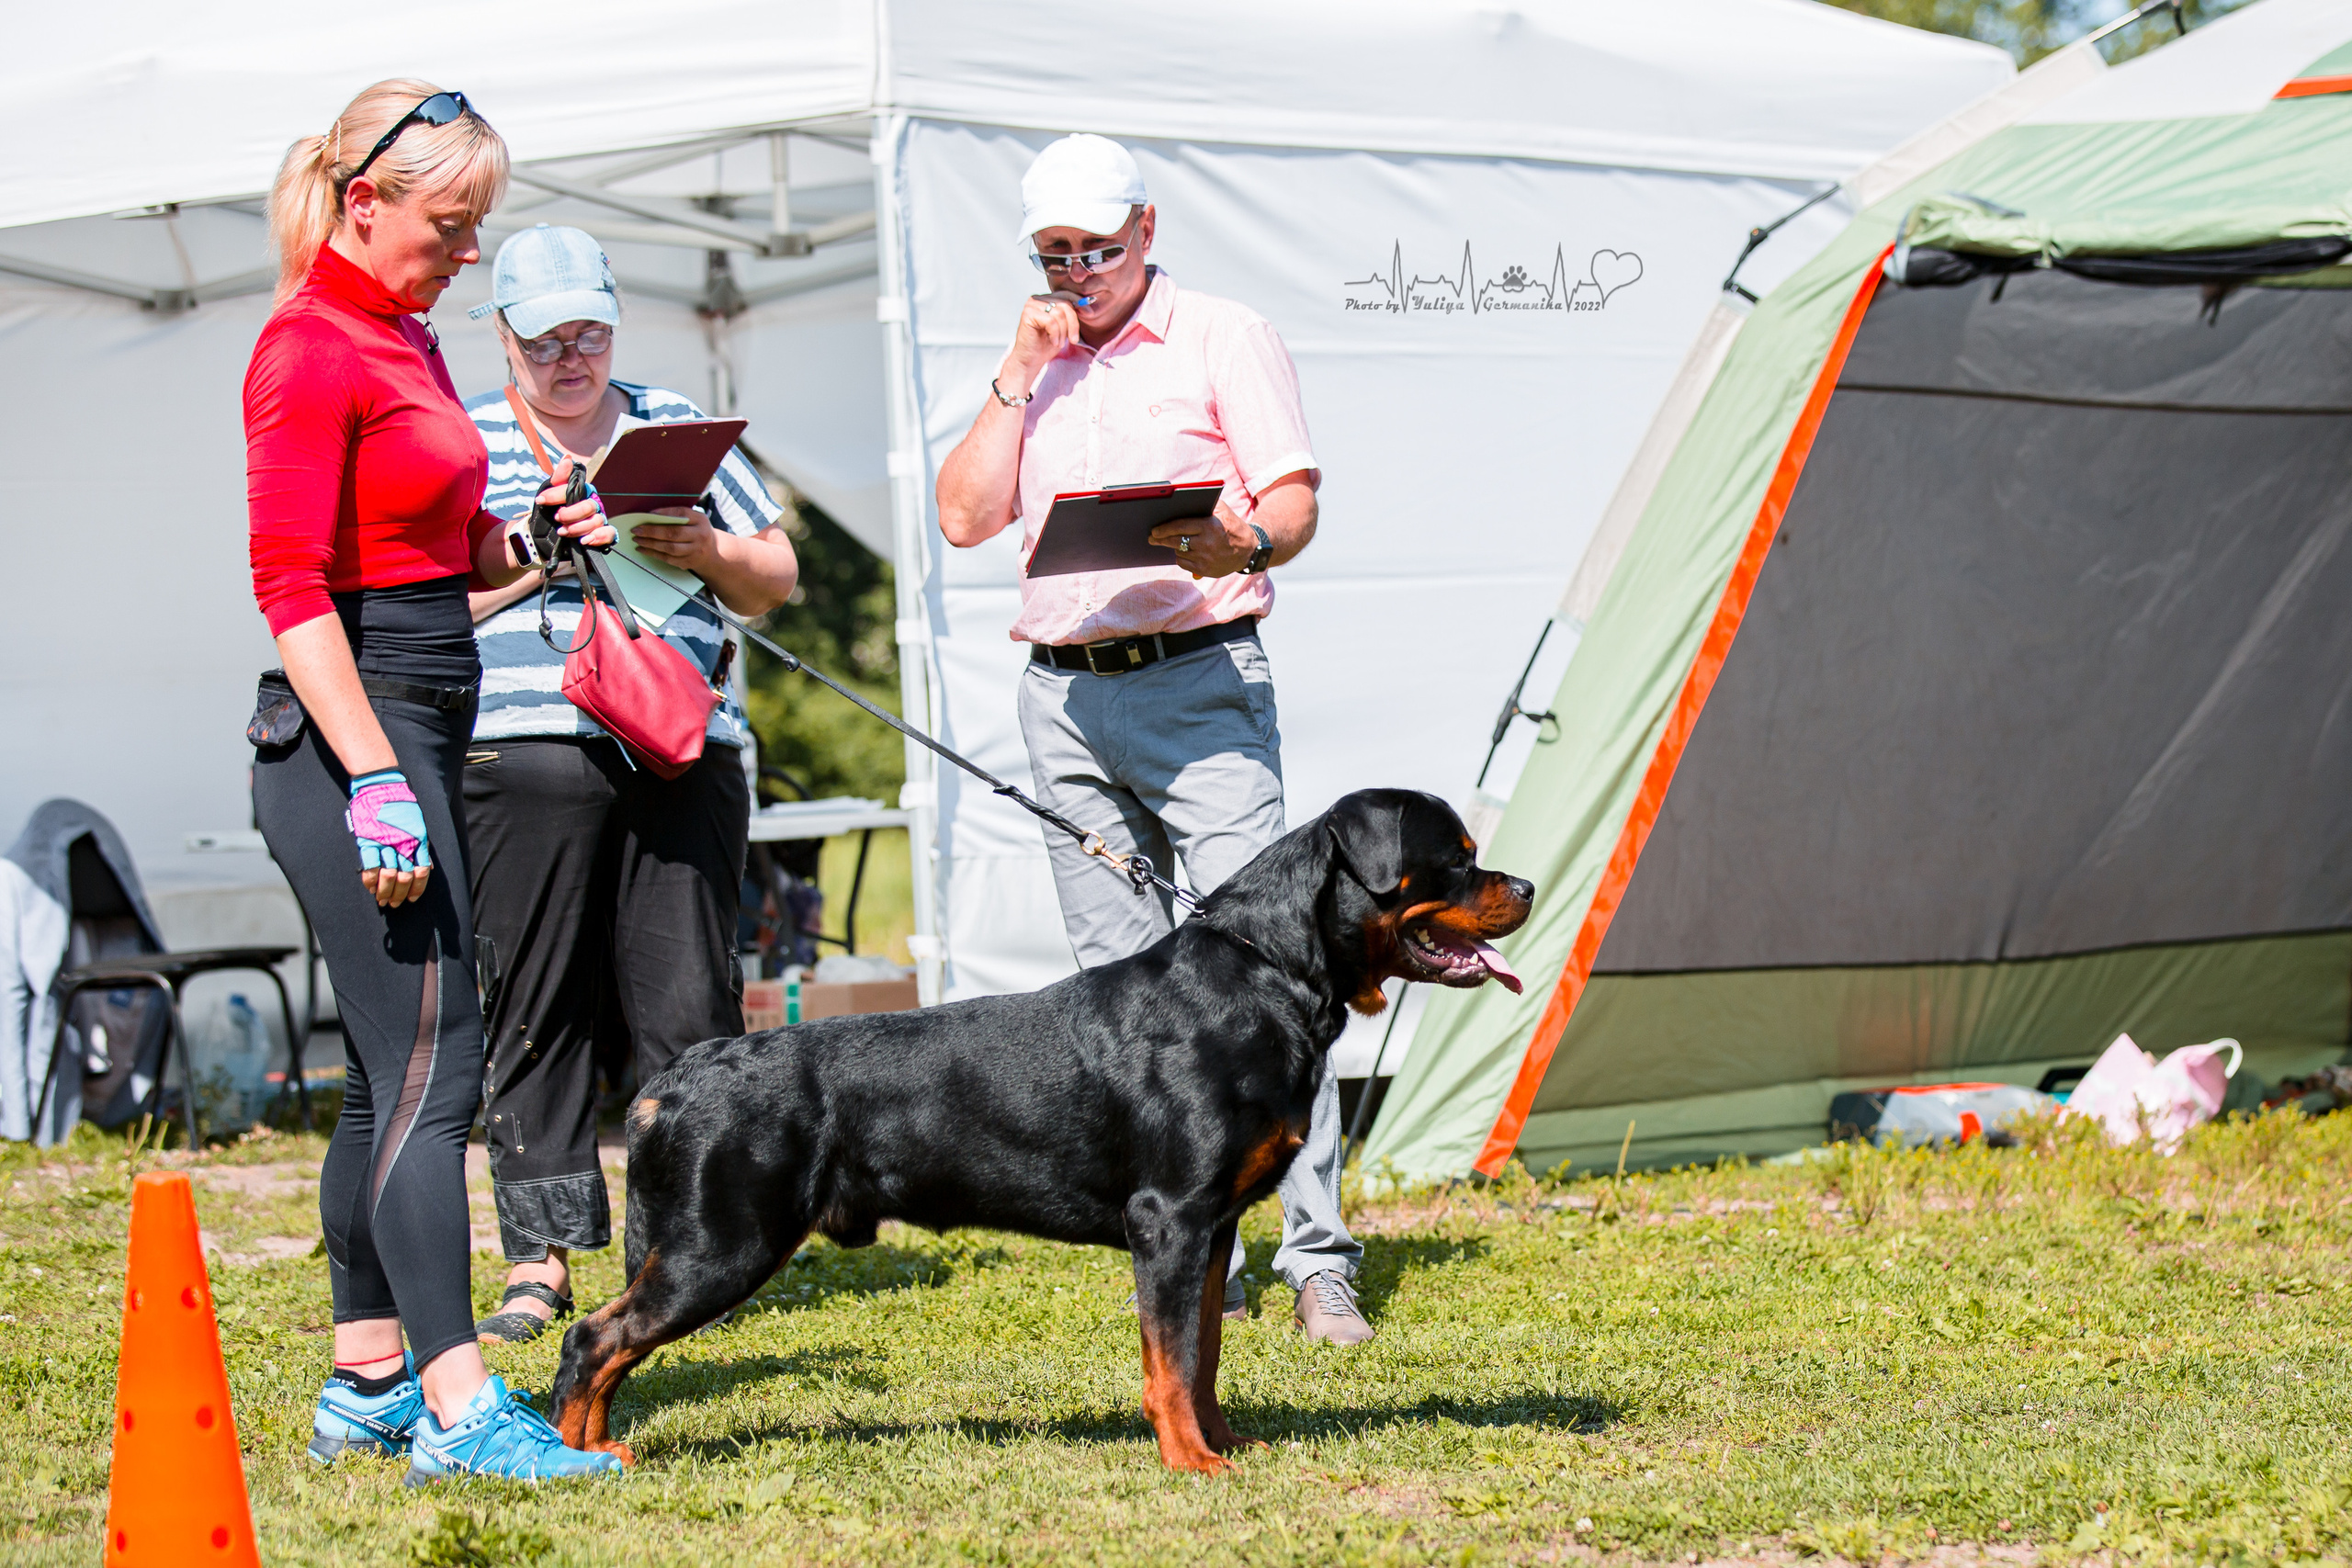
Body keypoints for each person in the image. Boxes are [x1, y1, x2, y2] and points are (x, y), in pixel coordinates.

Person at [933, 135, 1373, 1345]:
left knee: (1270, 980)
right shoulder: (1036, 360)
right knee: (1130, 999)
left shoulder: (1222, 334)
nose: (1079, 272)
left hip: (1195, 677)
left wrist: (1250, 544)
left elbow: (1291, 498)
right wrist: (1016, 375)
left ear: (1148, 228)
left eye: (1098, 249)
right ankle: (1191, 1248)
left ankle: (1317, 1251)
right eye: (1055, 254)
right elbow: (965, 516)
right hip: (1065, 695)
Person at [245, 81, 620, 1481]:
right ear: (367, 203)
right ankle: (466, 1411)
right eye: (452, 227)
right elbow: (292, 589)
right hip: (355, 738)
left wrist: (538, 534)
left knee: (382, 1081)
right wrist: (373, 781)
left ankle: (368, 1383)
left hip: (417, 711)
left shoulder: (396, 336)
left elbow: (443, 569)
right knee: (438, 1068)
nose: (469, 257)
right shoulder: (305, 347)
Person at [458, 225, 799, 1344]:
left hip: (675, 743)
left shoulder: (671, 424)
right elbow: (423, 608)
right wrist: (535, 549)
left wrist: (699, 546)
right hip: (525, 750)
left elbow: (776, 577)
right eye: (547, 337)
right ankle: (540, 1260)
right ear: (500, 333)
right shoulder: (458, 439)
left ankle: (686, 1247)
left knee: (689, 1008)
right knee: (535, 998)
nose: (573, 356)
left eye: (591, 330)